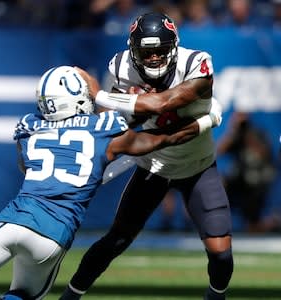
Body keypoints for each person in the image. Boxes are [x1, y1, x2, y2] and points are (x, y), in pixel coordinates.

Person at [0, 65, 214, 300]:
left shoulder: (29, 129)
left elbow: (26, 166)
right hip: (53, 238)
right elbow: (160, 140)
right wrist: (205, 121)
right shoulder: (102, 129)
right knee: (25, 295)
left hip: (17, 220)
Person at [60, 12, 233, 300]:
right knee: (116, 239)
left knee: (221, 254)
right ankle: (69, 296)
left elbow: (165, 102)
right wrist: (124, 113)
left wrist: (102, 96)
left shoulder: (196, 63)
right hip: (153, 164)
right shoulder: (121, 67)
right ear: (133, 51)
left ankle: (216, 297)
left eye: (159, 50)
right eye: (146, 51)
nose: (153, 58)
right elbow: (117, 123)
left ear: (174, 47)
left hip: (197, 165)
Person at [217, 112, 278, 233]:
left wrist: (249, 137)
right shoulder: (235, 136)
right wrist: (232, 131)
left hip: (257, 181)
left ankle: (269, 223)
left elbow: (264, 154)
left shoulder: (257, 133)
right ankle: (216, 224)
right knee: (219, 184)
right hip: (240, 180)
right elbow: (220, 150)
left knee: (253, 224)